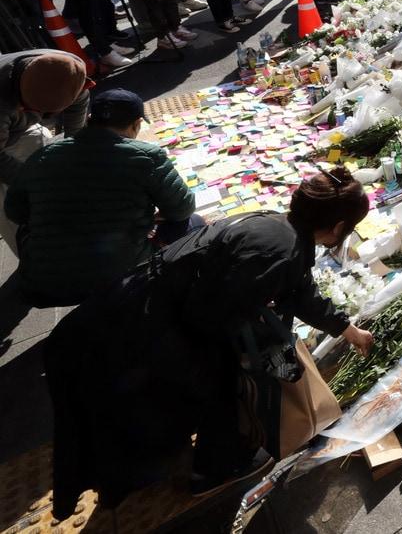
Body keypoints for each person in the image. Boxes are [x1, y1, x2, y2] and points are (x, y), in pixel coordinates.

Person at [44, 169, 375, 518]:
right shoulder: (282, 252)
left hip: (123, 308)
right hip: (136, 331)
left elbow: (299, 289)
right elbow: (208, 318)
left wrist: (348, 330)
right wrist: (264, 349)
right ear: (339, 227)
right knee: (210, 390)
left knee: (107, 420)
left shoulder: (274, 224)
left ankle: (134, 475)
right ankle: (210, 473)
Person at [8, 88, 194, 307]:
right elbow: (183, 208)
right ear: (137, 124)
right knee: (193, 222)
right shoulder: (147, 156)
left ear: (89, 119)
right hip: (120, 276)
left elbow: (14, 211)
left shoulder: (44, 155)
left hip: (44, 284)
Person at [0, 50, 90, 255]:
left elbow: (79, 102)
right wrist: (34, 183)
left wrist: (74, 148)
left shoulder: (67, 70)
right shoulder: (3, 104)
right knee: (9, 204)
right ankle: (33, 258)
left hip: (16, 121)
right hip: (7, 121)